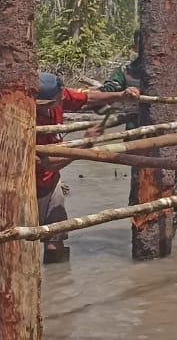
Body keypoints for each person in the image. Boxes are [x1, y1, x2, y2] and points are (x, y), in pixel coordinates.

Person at [36, 73, 140, 263]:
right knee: (21, 241)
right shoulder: (29, 121)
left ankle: (58, 282)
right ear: (41, 103)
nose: (61, 101)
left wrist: (119, 96)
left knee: (56, 235)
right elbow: (49, 162)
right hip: (29, 184)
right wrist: (84, 144)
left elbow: (88, 97)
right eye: (57, 100)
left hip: (50, 181)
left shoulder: (58, 97)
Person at [102, 30, 177, 205]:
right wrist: (123, 94)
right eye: (143, 45)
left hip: (172, 144)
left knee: (175, 191)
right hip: (139, 142)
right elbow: (104, 96)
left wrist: (175, 96)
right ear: (135, 47)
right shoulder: (126, 71)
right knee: (140, 193)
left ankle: (170, 232)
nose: (149, 50)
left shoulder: (176, 71)